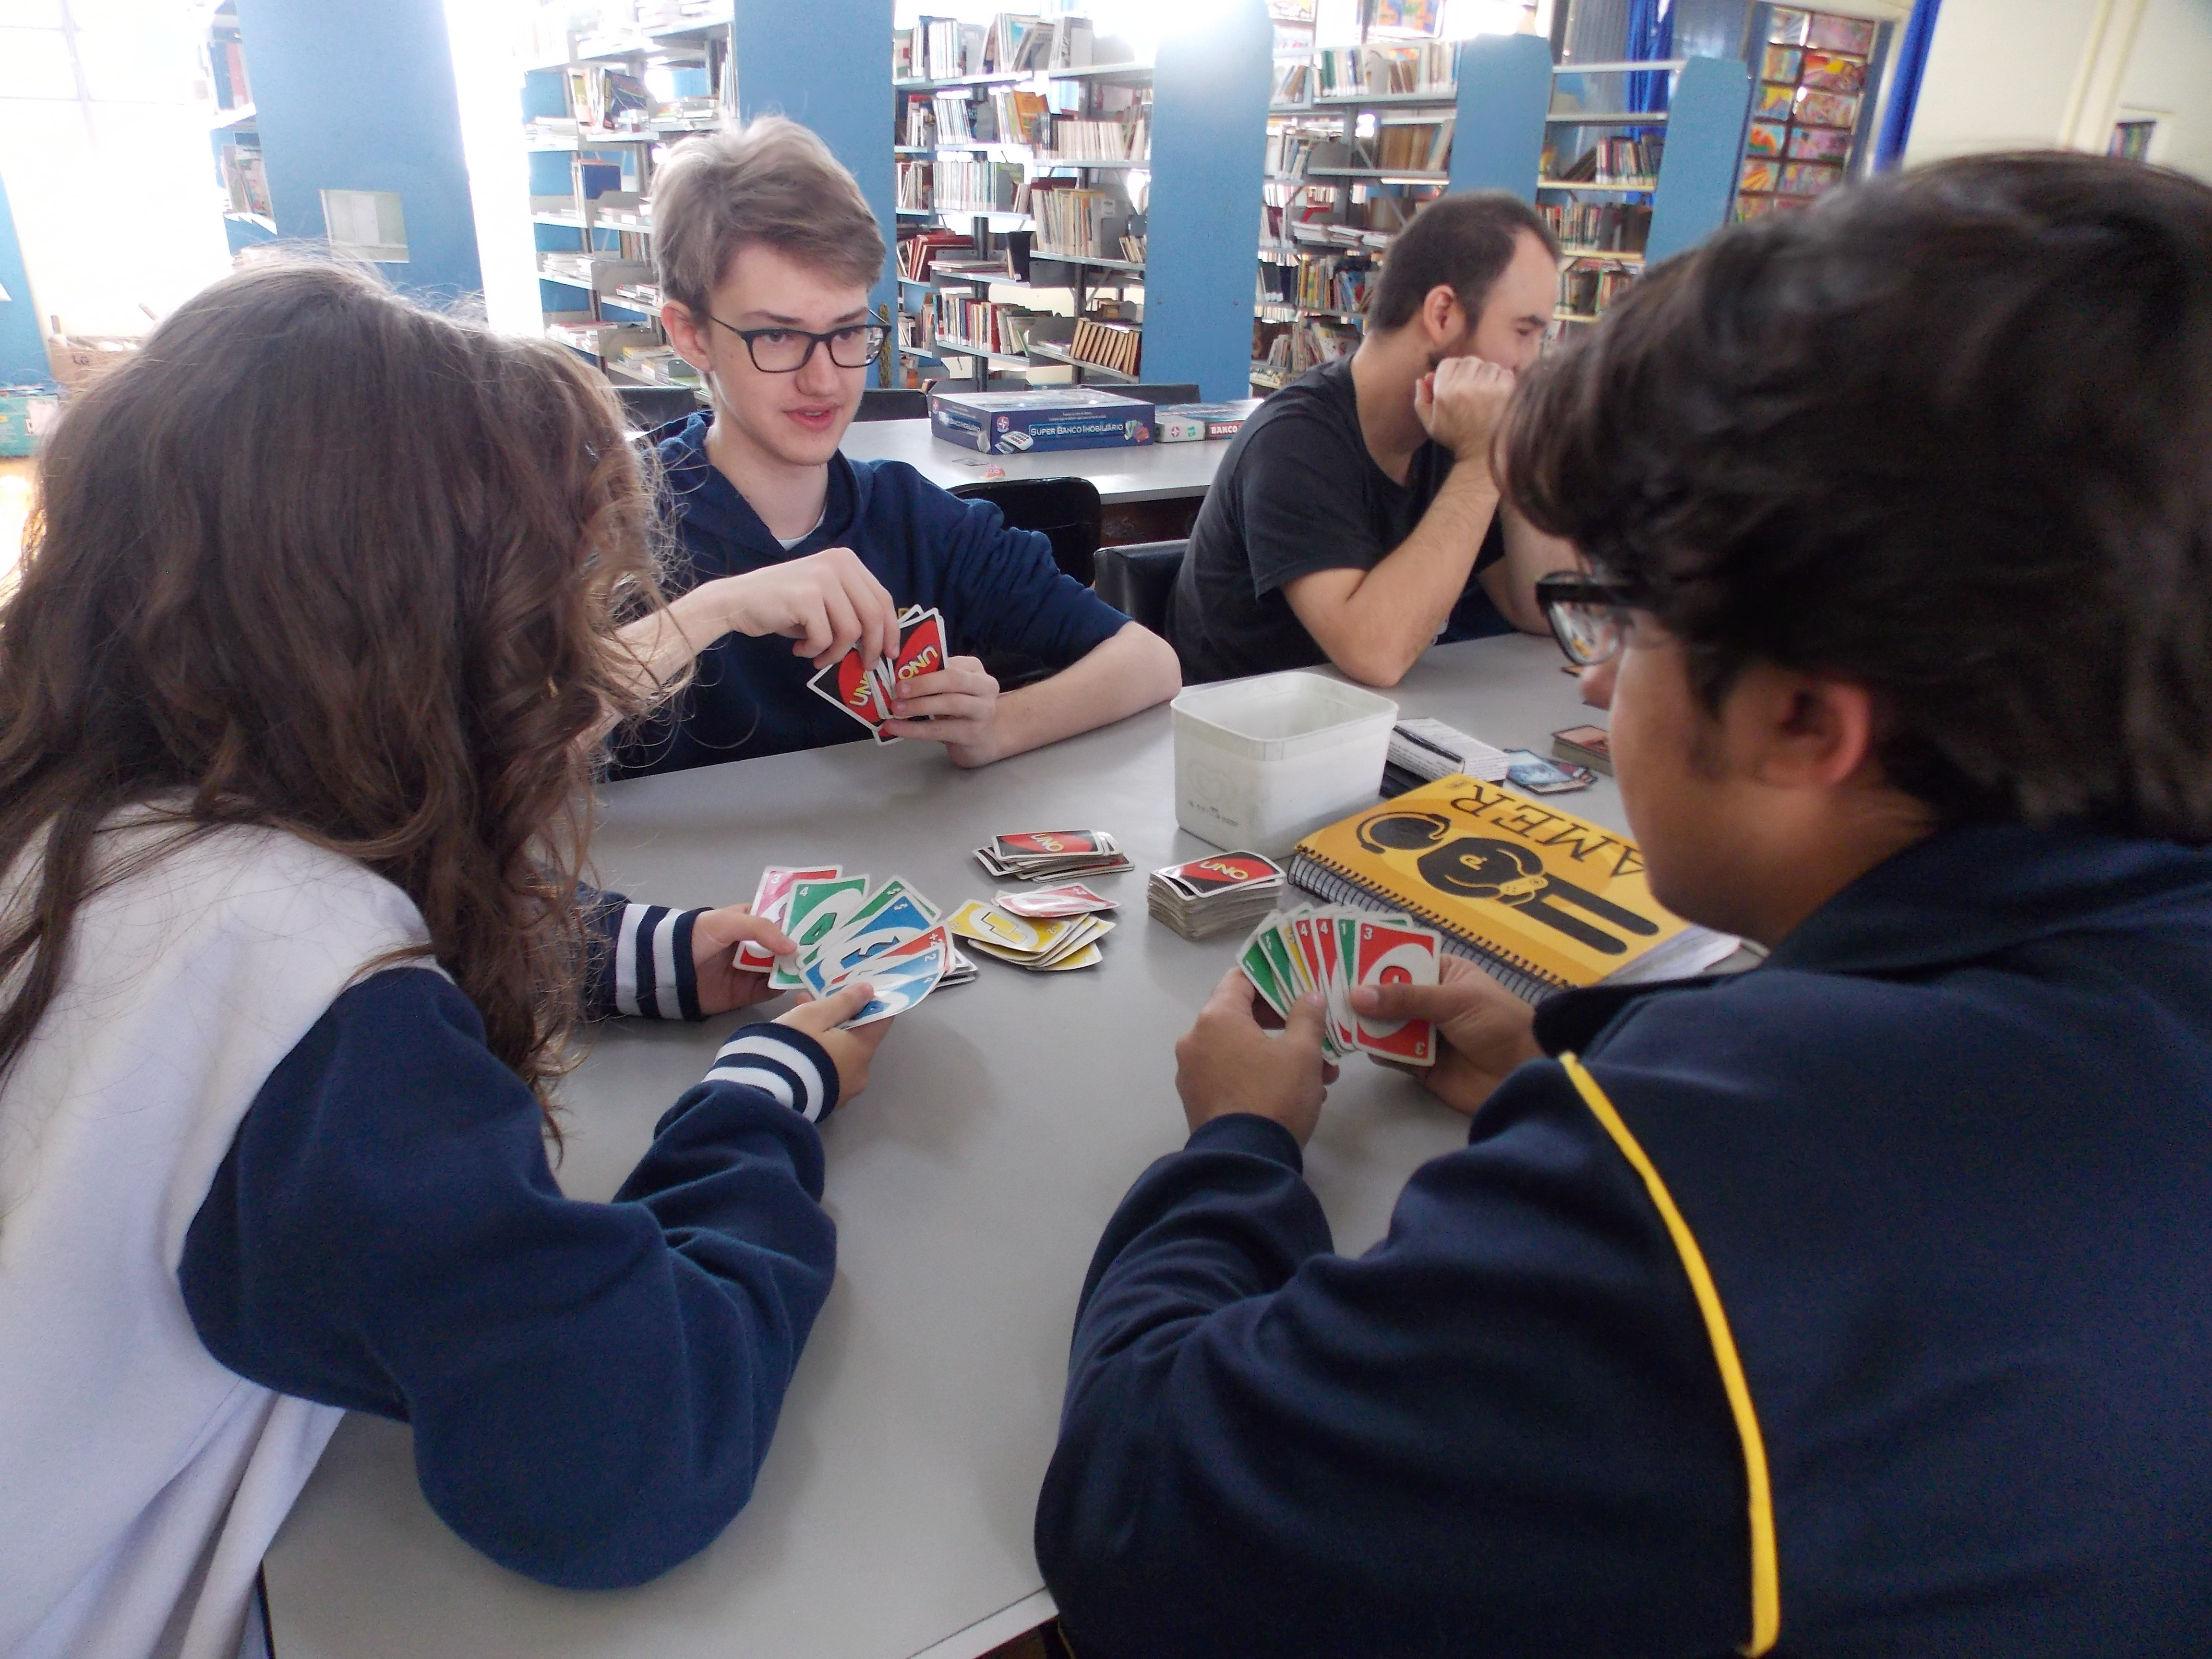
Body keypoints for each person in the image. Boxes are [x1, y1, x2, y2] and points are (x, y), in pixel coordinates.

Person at [1035, 152, 2212, 1656]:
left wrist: (1239, 1148)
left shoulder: (1704, 1199)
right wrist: (1575, 1051)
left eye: (1633, 617)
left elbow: (1140, 1510)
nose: (1595, 682)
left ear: (1805, 721)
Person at [0, 261, 895, 1659]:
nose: (578, 677)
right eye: (544, 624)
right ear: (416, 643)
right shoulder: (317, 1012)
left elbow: (328, 896)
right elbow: (626, 1455)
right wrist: (758, 1095)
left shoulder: (79, 813)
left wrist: (633, 950)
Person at [612, 117, 1180, 774]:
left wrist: (999, 726)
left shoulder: (914, 519)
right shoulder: (612, 523)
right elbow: (520, 749)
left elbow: (1150, 663)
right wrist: (719, 608)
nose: (824, 379)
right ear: (691, 336)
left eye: (848, 332)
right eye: (777, 336)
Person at [1168, 190, 1582, 687]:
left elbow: (1546, 608)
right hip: (1246, 725)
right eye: (1523, 333)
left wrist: (1510, 446)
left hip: (1378, 719)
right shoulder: (1294, 442)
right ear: (1443, 314)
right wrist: (1479, 463)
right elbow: (1375, 654)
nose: (1533, 364)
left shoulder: (1458, 427)